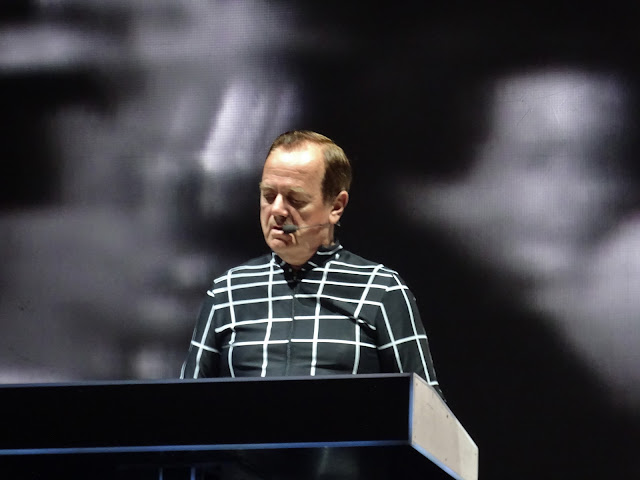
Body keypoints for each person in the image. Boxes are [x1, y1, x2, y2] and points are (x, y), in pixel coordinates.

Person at [180, 130, 441, 396]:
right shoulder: (227, 292)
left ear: (336, 206)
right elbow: (185, 404)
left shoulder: (380, 290)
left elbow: (426, 407)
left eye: (295, 199)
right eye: (268, 195)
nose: (277, 210)